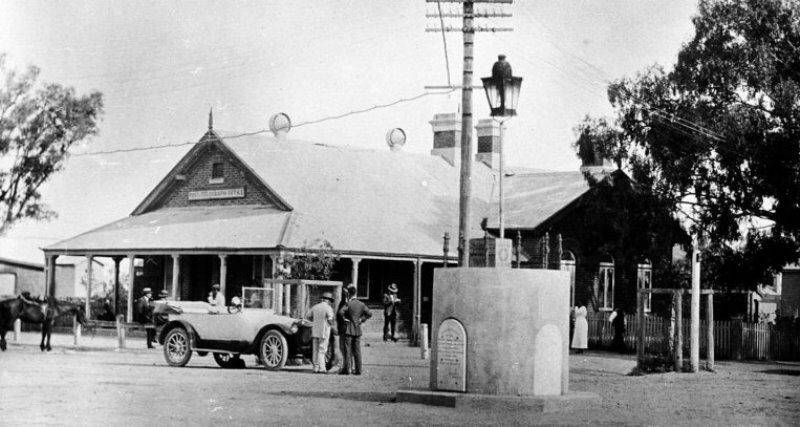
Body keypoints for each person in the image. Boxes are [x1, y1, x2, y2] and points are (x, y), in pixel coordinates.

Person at [339, 286, 371, 375]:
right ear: (356, 293)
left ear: (349, 294)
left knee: (347, 350)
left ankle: (347, 370)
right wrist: (362, 319)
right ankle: (358, 370)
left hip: (349, 329)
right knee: (357, 351)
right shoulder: (361, 304)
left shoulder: (348, 304)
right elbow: (369, 313)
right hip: (357, 329)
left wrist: (344, 319)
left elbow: (340, 312)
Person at [305, 292, 335, 373]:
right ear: (328, 300)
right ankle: (322, 368)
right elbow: (329, 319)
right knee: (322, 350)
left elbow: (307, 316)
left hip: (315, 331)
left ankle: (315, 367)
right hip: (324, 332)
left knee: (315, 350)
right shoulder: (328, 308)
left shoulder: (315, 307)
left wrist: (314, 321)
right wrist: (333, 326)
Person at [336, 284, 356, 373]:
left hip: (344, 328)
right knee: (347, 348)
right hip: (349, 328)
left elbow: (340, 314)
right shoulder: (353, 302)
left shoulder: (346, 303)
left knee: (344, 348)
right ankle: (349, 366)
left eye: (345, 291)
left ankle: (347, 367)